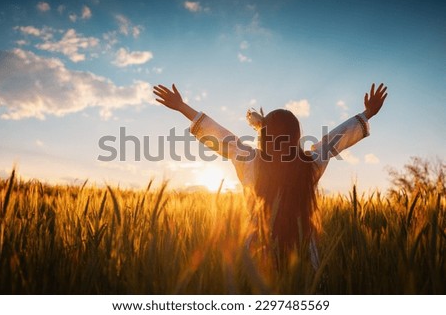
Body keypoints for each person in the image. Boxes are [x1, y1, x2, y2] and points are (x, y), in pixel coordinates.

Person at [153, 83, 388, 268]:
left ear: (265, 136)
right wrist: (368, 113)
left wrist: (183, 107)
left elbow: (223, 137)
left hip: (258, 252)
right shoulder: (310, 164)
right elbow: (335, 139)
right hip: (304, 253)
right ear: (296, 136)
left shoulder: (251, 161)